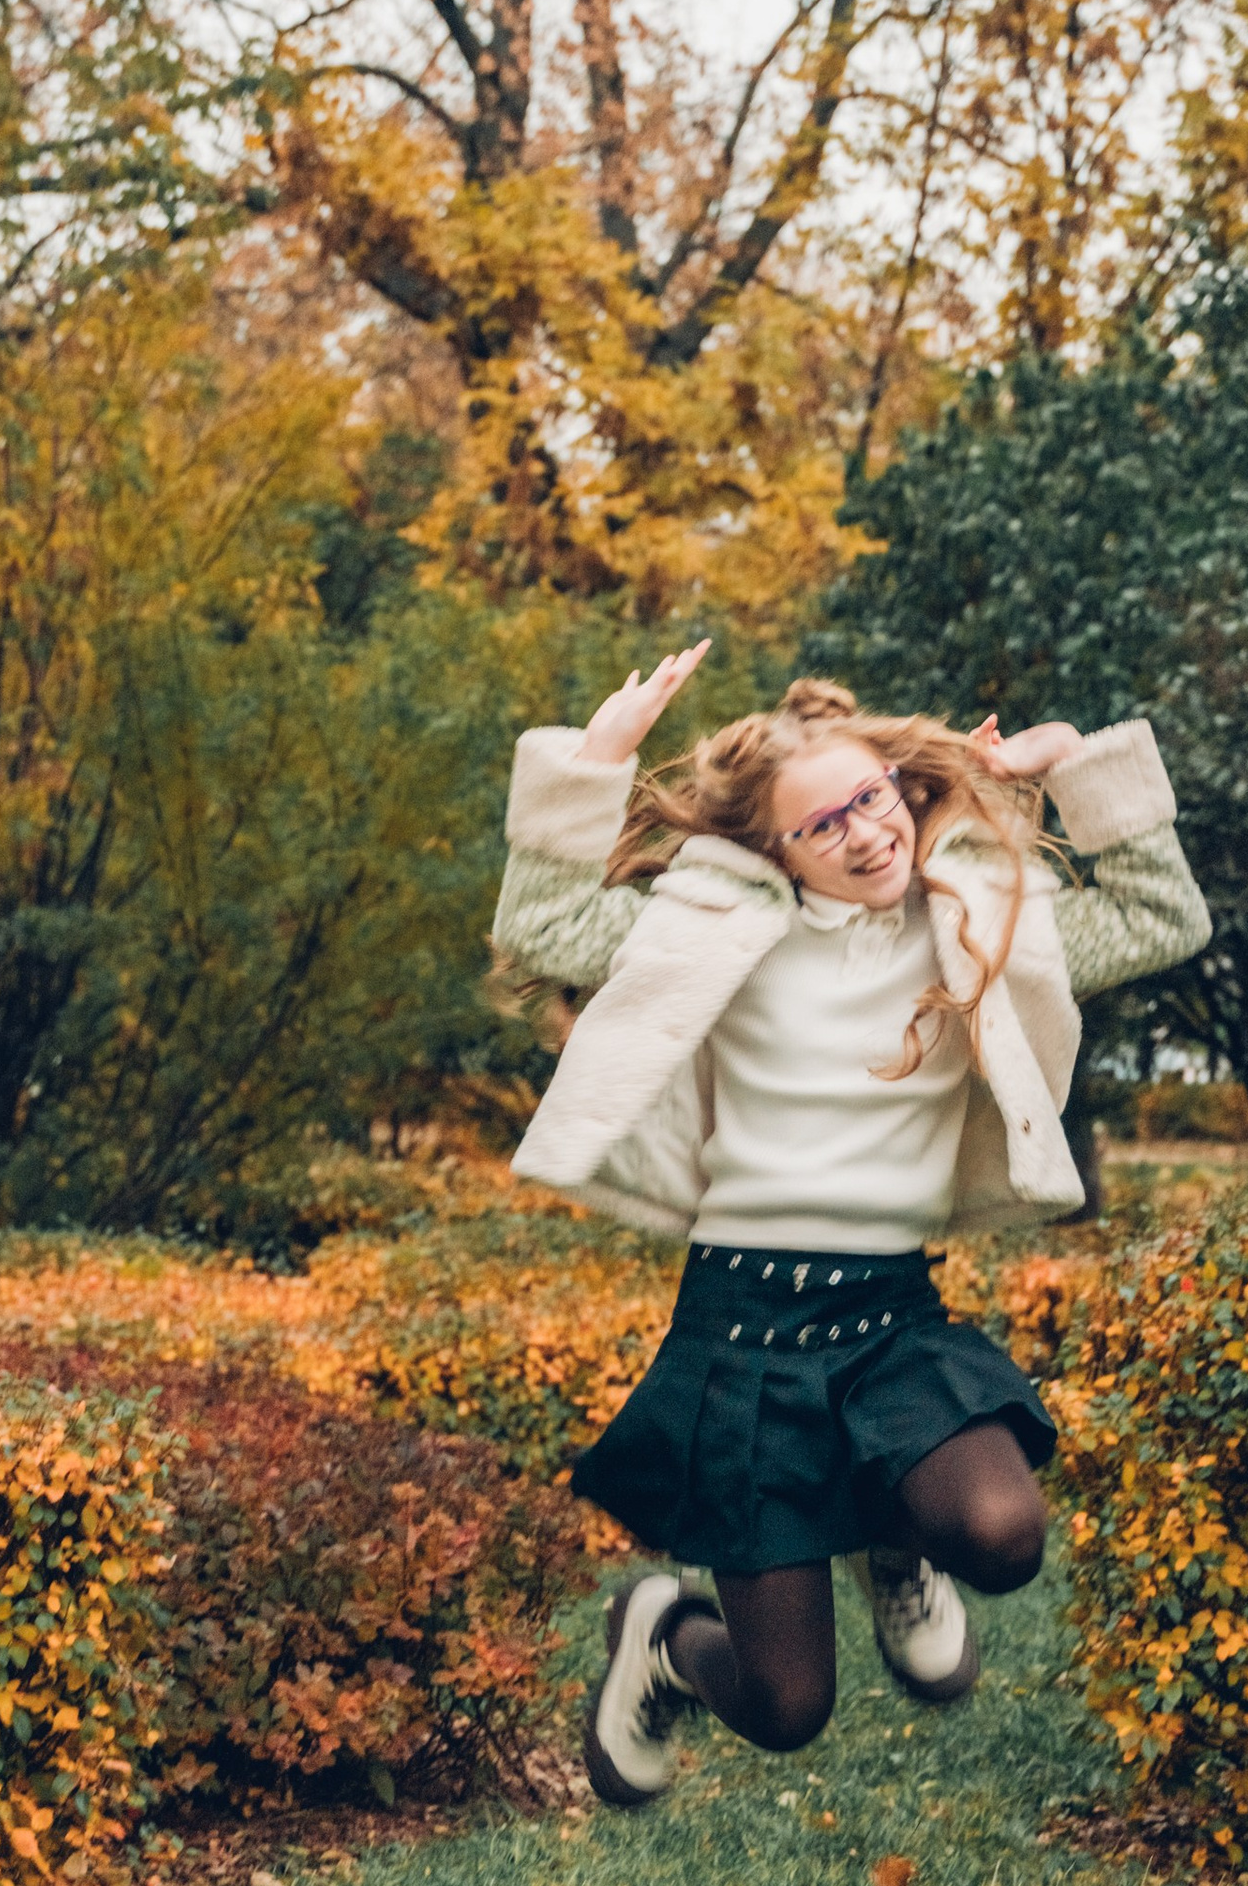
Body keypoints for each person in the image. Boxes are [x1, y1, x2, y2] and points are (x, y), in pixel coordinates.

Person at [490, 649, 1211, 1804]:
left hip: (889, 1319)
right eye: (823, 825)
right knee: (786, 1708)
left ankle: (899, 1537)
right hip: (743, 1332)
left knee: (1002, 1532)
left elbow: (1162, 915)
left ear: (902, 788)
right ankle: (664, 1641)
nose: (865, 834)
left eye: (872, 798)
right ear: (777, 850)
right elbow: (545, 924)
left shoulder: (984, 923)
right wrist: (596, 762)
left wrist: (1070, 759)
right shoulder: (718, 936)